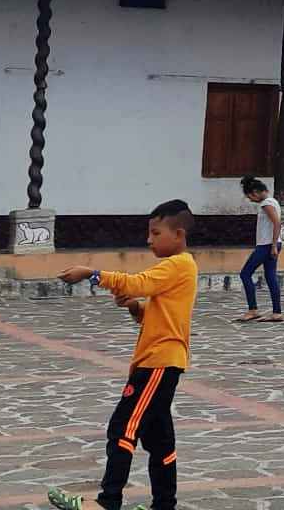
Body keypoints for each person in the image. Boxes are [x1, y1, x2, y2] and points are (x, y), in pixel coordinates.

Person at [50, 200, 198, 510]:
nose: (149, 240)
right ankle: (164, 505)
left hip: (158, 363)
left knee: (123, 428)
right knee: (159, 441)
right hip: (160, 361)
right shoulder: (179, 269)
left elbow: (138, 283)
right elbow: (154, 314)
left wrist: (92, 274)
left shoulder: (178, 264)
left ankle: (108, 501)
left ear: (179, 234)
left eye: (156, 233)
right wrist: (134, 306)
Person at [234, 177, 284, 323]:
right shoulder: (273, 202)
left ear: (255, 192)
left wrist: (273, 245)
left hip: (267, 245)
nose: (251, 200)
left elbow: (277, 223)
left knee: (245, 274)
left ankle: (253, 309)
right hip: (270, 244)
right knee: (270, 277)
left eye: (250, 197)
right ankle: (277, 312)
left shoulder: (267, 204)